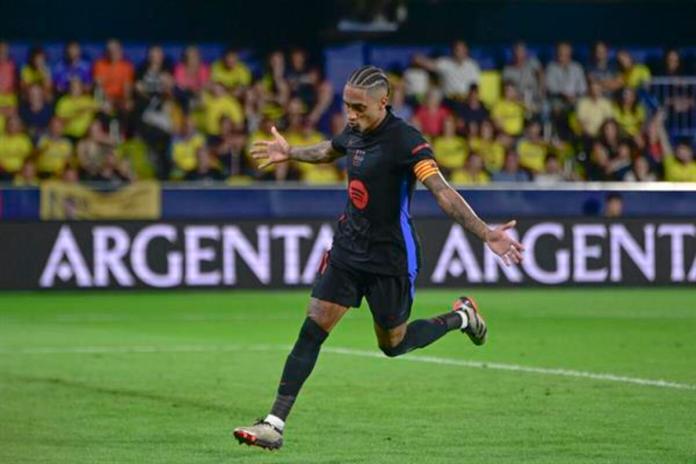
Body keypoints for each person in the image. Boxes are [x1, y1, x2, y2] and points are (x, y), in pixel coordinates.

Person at [233, 66, 524, 449]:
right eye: (346, 106)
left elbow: (441, 191)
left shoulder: (406, 142)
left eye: (359, 107)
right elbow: (328, 150)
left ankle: (462, 317)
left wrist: (486, 232)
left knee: (393, 344)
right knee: (313, 327)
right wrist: (291, 153)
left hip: (391, 259)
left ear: (383, 102)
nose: (351, 115)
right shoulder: (354, 131)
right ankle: (274, 424)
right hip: (349, 250)